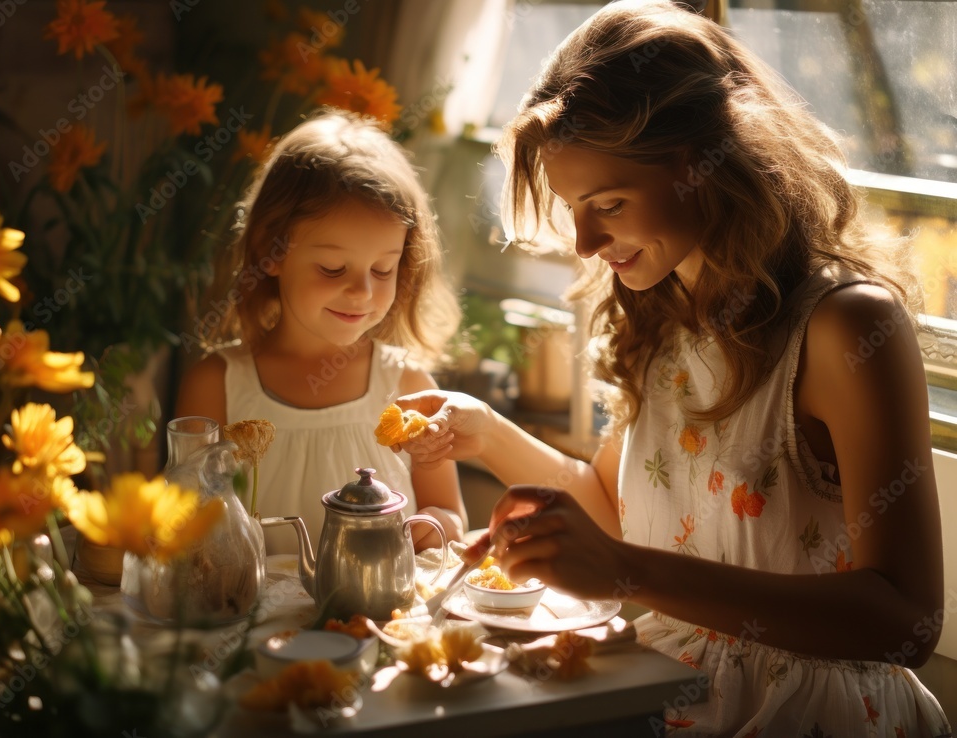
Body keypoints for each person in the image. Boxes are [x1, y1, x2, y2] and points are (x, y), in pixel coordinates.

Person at [395, 1, 952, 735]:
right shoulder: (658, 315)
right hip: (663, 696)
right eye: (574, 208)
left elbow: (906, 624)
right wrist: (490, 436)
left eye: (611, 203)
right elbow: (617, 508)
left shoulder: (844, 328)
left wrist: (626, 574)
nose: (588, 242)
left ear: (706, 166)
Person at [175, 108, 467, 555]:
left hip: (370, 621)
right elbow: (183, 527)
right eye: (333, 268)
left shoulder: (407, 388)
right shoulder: (216, 385)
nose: (362, 292)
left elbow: (449, 515)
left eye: (383, 269)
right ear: (271, 252)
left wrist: (431, 527)